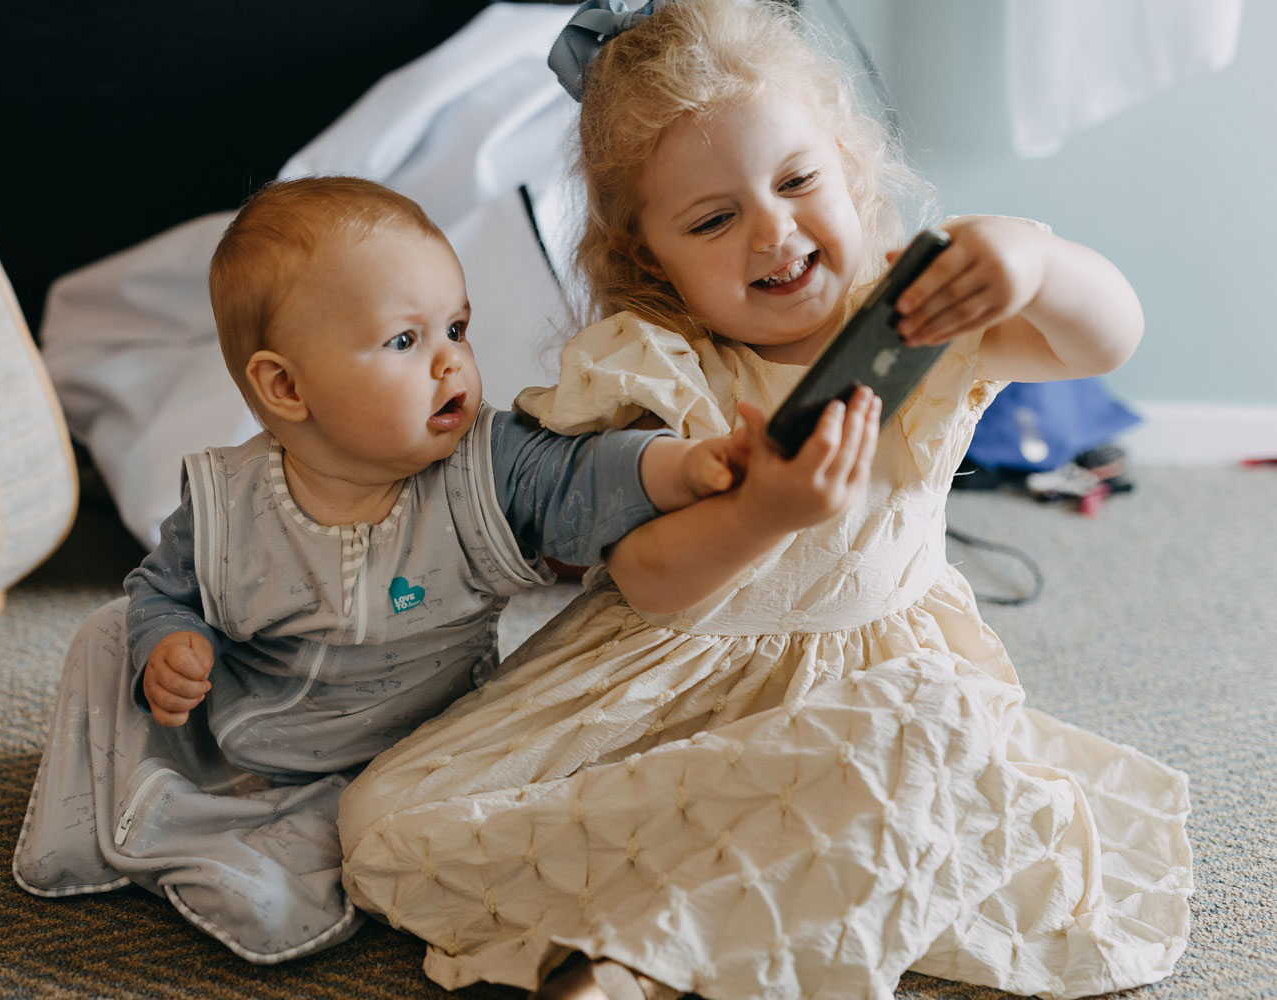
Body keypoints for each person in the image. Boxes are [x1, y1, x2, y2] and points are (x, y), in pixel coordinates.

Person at [335, 3, 1191, 999]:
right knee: (383, 823)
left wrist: (1032, 261)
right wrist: (760, 514)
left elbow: (1107, 337)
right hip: (672, 682)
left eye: (796, 181)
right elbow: (646, 580)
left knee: (936, 730)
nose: (773, 232)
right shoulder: (654, 366)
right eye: (712, 219)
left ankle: (638, 967)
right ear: (649, 253)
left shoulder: (925, 314)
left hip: (877, 681)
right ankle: (745, 901)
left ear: (850, 161)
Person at [12, 175, 878, 963]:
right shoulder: (226, 500)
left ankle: (250, 861)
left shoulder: (486, 467)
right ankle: (134, 819)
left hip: (396, 759)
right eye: (405, 339)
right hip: (232, 728)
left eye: (457, 328)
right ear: (285, 389)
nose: (451, 360)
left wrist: (688, 467)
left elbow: (587, 472)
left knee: (349, 865)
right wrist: (173, 645)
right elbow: (162, 588)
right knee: (108, 636)